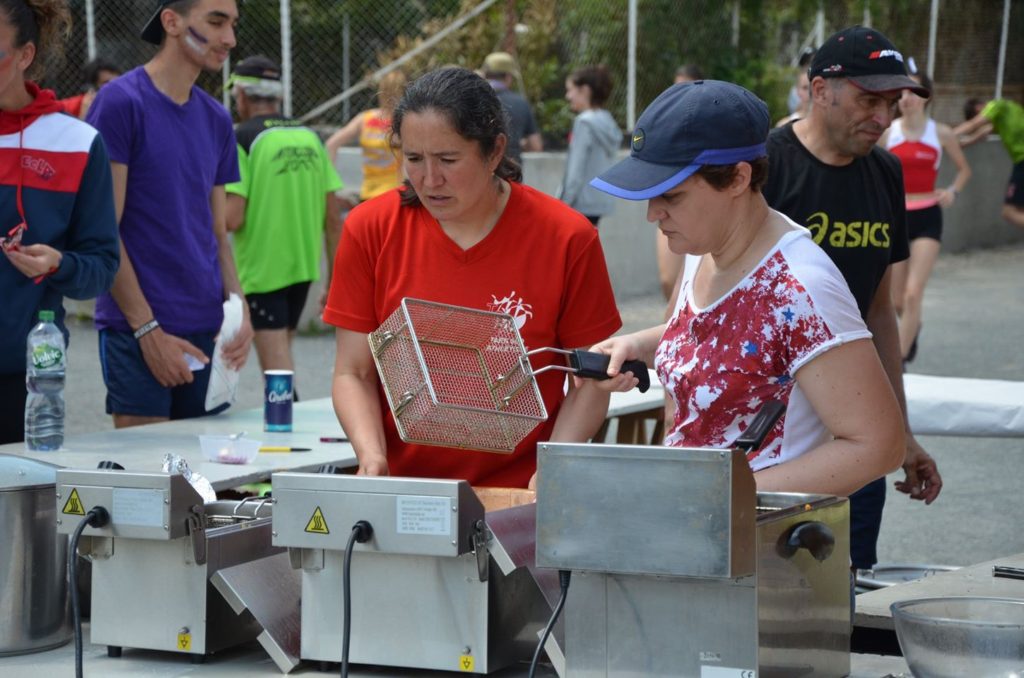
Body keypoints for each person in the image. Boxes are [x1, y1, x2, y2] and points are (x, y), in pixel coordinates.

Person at [586, 80, 904, 497]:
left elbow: (878, 445)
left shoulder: (800, 288)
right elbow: (724, 339)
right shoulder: (704, 246)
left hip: (760, 548)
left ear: (738, 178)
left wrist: (727, 494)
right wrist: (639, 346)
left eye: (672, 196)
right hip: (692, 530)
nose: (653, 214)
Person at [323, 67, 621, 488]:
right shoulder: (370, 228)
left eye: (448, 160)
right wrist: (372, 458)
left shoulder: (567, 237)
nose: (429, 179)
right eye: (413, 159)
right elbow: (352, 372)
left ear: (495, 151)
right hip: (407, 490)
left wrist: (549, 471)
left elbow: (590, 381)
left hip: (522, 491)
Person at [762, 26, 943, 573]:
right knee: (768, 585)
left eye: (892, 103)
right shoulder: (766, 164)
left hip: (857, 429)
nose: (883, 118)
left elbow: (877, 312)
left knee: (842, 584)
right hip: (775, 435)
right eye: (869, 100)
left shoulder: (886, 173)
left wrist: (900, 431)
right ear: (820, 91)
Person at [86, 0, 253, 428]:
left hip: (208, 330)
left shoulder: (216, 118)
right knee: (151, 487)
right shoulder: (120, 103)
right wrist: (147, 331)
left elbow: (217, 233)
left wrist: (240, 311)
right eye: (216, 22)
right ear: (172, 21)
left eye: (233, 24)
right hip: (138, 329)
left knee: (208, 487)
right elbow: (106, 231)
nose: (229, 39)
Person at [0, 0, 119, 445]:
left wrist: (58, 265)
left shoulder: (77, 143)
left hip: (25, 380)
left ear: (26, 56)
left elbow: (102, 267)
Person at [225, 55, 343, 378]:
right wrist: (333, 280)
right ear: (279, 95)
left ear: (242, 96)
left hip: (263, 273)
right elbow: (334, 220)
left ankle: (288, 427)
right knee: (283, 366)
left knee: (278, 378)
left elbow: (231, 218)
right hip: (303, 270)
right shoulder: (311, 137)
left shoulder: (241, 138)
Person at [879, 70, 971, 361]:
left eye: (914, 92)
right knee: (895, 301)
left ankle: (900, 362)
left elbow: (965, 169)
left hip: (928, 215)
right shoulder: (888, 132)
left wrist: (952, 191)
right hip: (896, 217)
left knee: (912, 293)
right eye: (902, 92)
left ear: (926, 97)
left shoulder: (940, 132)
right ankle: (912, 327)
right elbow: (873, 169)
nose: (907, 98)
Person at [659, 63, 706, 298]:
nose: (680, 95)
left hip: (698, 212)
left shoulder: (712, 126)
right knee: (669, 280)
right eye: (676, 88)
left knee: (689, 281)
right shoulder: (666, 125)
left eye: (686, 87)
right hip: (672, 205)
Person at [323, 69, 405, 203]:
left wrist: (330, 185)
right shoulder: (405, 121)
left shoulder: (365, 119)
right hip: (396, 195)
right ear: (403, 91)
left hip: (368, 195)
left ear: (380, 91)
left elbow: (331, 145)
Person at [560, 64, 620, 227]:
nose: (568, 96)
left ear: (585, 90)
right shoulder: (607, 121)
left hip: (579, 204)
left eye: (571, 90)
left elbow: (575, 172)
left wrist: (561, 205)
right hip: (597, 203)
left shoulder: (584, 123)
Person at [955, 98, 1024, 229]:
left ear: (978, 109)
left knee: (1009, 212)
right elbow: (984, 131)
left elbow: (974, 125)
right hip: (1020, 161)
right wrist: (966, 143)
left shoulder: (996, 105)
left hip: (1022, 160)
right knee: (1018, 211)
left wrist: (943, 136)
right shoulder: (1008, 112)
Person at [481, 51, 542, 166]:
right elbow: (536, 145)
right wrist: (521, 143)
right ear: (508, 77)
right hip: (510, 173)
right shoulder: (520, 103)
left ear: (484, 74)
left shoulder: (471, 99)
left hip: (478, 172)